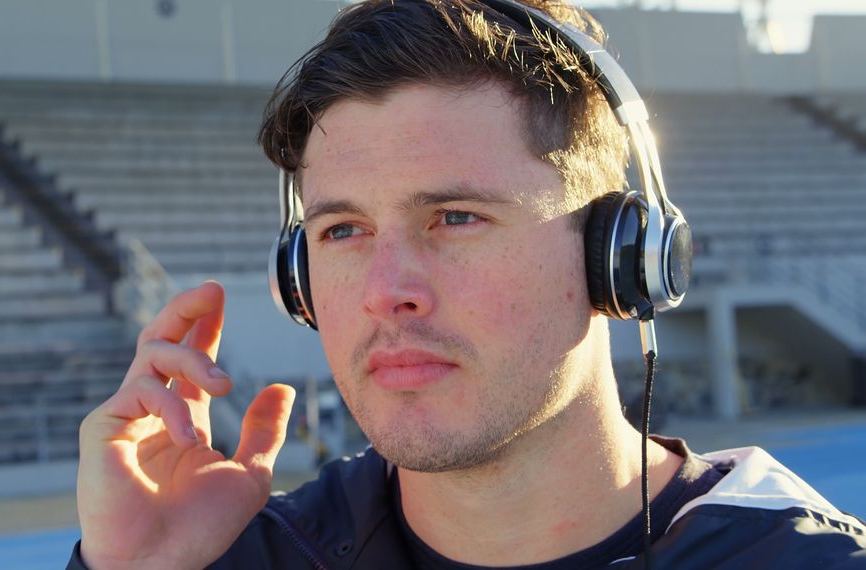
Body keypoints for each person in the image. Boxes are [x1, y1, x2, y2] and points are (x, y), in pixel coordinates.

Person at [67, 1, 866, 568]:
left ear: (618, 257)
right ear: (300, 279)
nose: (387, 290)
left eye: (454, 218)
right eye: (342, 230)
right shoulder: (242, 553)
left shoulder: (792, 558)